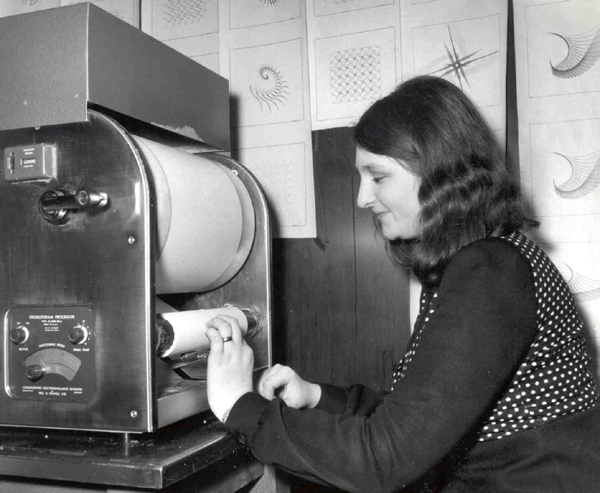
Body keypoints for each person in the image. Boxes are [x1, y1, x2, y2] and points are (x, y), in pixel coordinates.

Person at [203, 75, 600, 492]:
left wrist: (239, 407)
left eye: (377, 176)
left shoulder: (491, 271)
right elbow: (416, 415)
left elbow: (385, 459)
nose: (362, 198)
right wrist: (317, 396)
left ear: (436, 171)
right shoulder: (487, 259)